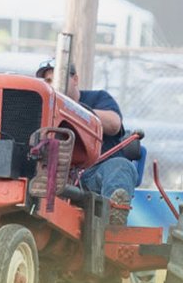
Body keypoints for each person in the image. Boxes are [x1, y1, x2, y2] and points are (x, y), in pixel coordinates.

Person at [36, 62, 137, 225]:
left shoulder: (98, 98)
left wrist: (73, 110)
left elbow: (113, 124)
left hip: (93, 176)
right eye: (47, 81)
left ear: (75, 79)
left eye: (58, 78)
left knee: (120, 166)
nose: (53, 84)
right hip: (52, 177)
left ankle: (113, 221)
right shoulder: (42, 107)